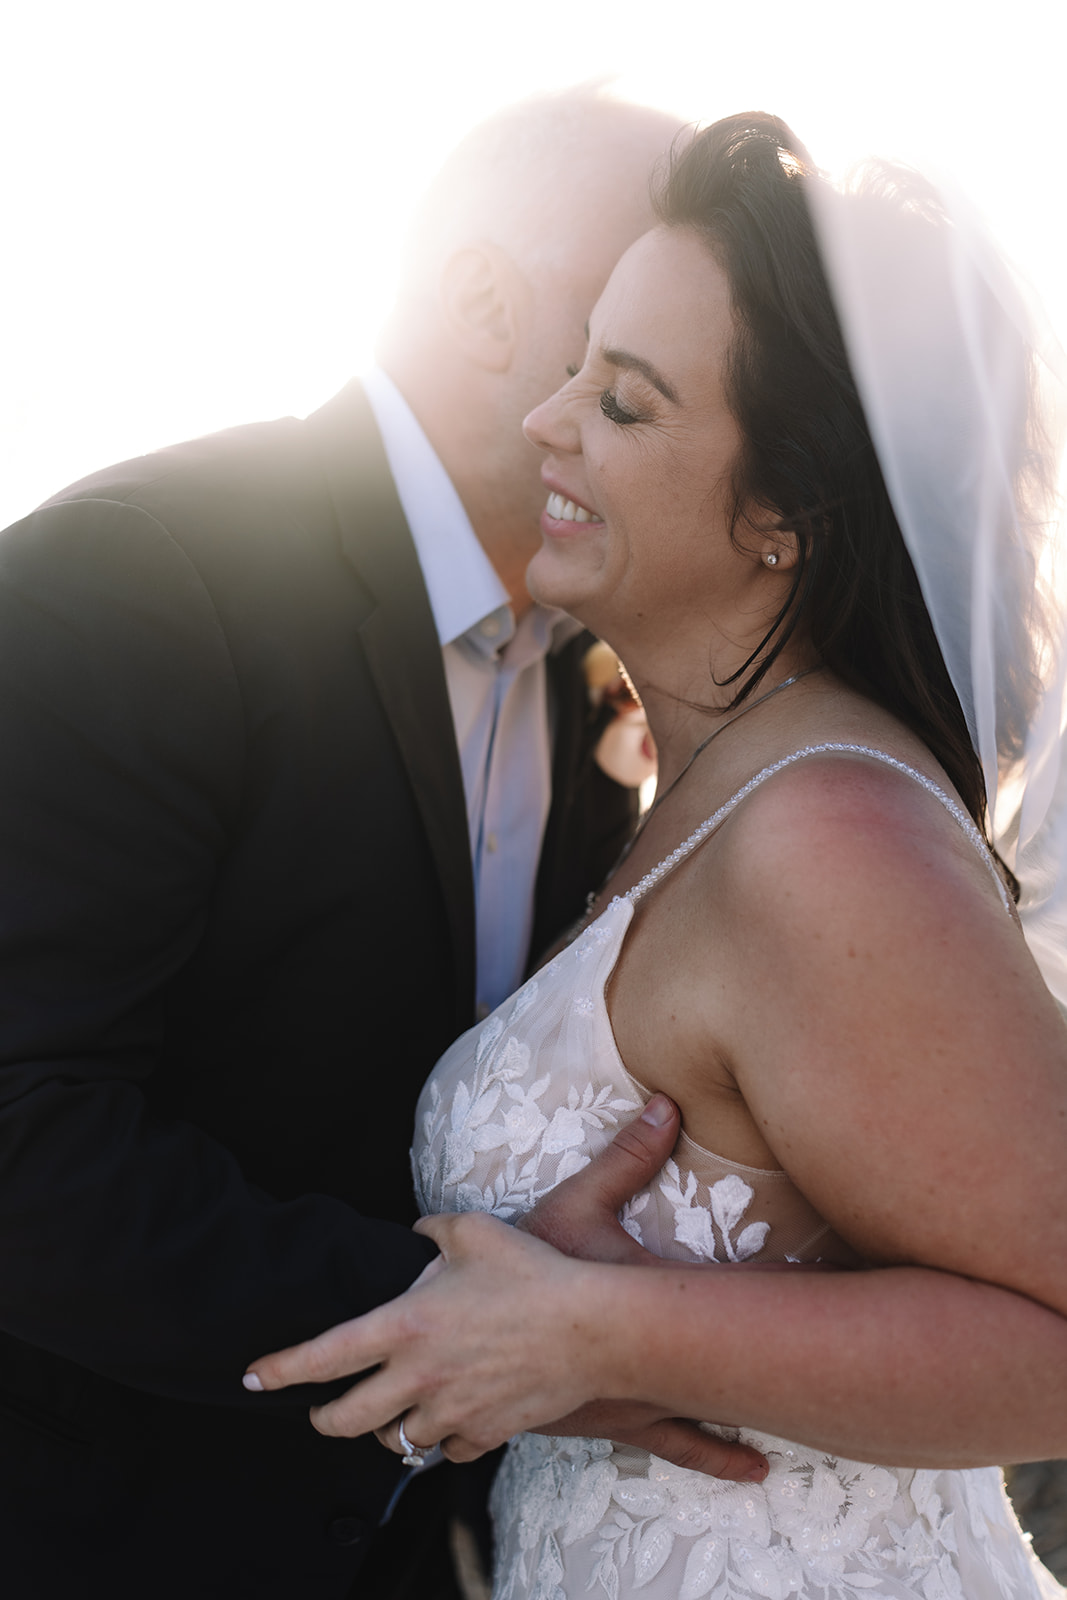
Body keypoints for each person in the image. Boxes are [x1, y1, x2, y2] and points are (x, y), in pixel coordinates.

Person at [247, 114, 1067, 1600]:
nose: (552, 420)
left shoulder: (829, 835)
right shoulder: (675, 799)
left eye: (625, 402)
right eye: (577, 365)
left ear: (783, 519)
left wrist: (601, 1334)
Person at [0, 89, 729, 1600]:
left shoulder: (591, 675)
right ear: (481, 298)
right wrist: (486, 1334)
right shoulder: (142, 578)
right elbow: (23, 1131)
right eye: (632, 321)